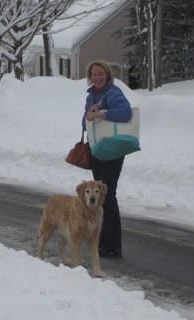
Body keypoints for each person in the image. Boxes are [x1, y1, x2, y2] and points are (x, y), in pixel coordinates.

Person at [82, 60, 132, 257]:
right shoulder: (91, 95)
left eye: (100, 74)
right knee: (100, 196)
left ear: (107, 75)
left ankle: (113, 245)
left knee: (108, 195)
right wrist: (89, 115)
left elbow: (125, 112)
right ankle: (101, 241)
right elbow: (85, 122)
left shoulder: (113, 93)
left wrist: (101, 113)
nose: (97, 77)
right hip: (97, 148)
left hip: (112, 150)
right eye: (94, 74)